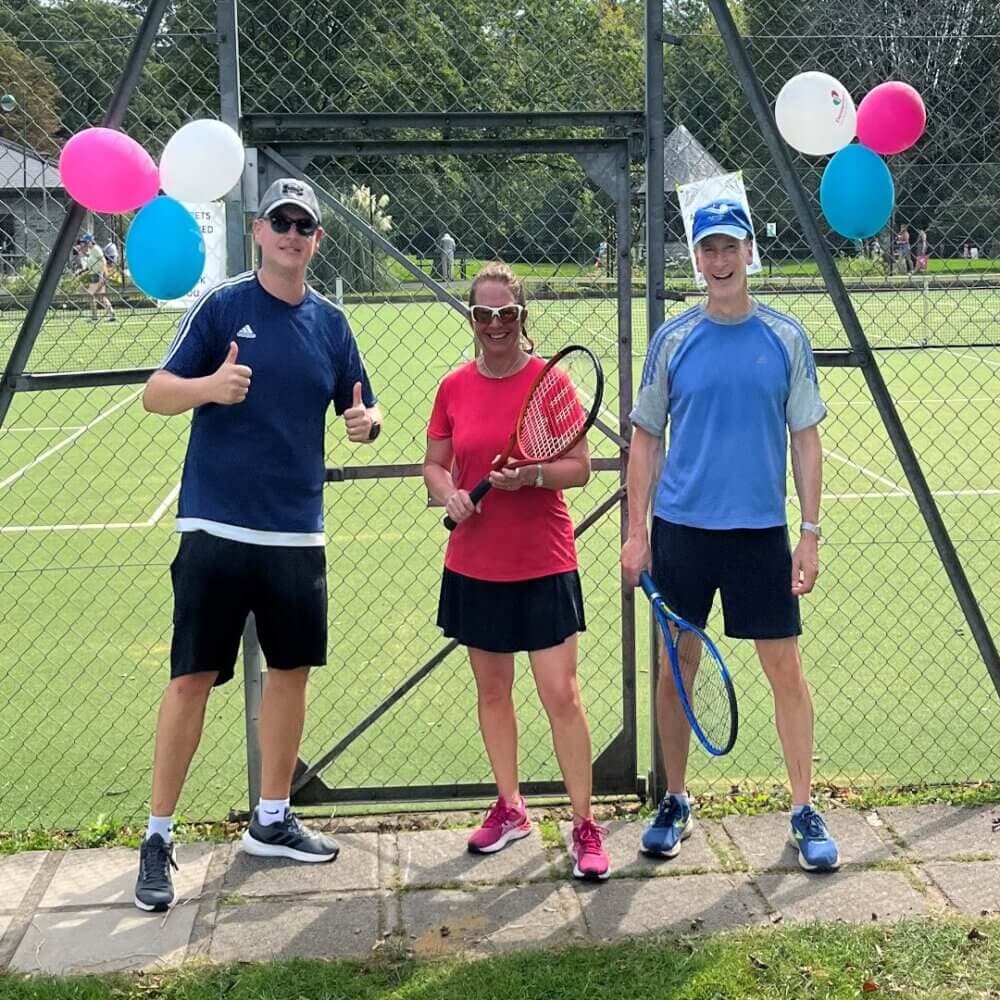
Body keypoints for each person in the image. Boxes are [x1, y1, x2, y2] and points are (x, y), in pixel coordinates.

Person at [133, 177, 384, 913]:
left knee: (291, 674)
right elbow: (155, 392)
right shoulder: (223, 307)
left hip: (295, 531)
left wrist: (366, 423)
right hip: (214, 526)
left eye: (304, 225)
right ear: (258, 231)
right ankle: (157, 836)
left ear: (317, 240)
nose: (291, 234)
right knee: (190, 680)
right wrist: (209, 385)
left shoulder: (332, 324)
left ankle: (270, 820)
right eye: (281, 221)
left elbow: (358, 403)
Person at [620, 198, 839, 873]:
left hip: (760, 536)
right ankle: (676, 801)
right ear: (698, 259)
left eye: (729, 248)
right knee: (674, 669)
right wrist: (636, 532)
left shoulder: (786, 337)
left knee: (785, 672)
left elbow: (805, 439)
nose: (718, 261)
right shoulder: (673, 339)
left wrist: (808, 532)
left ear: (749, 252)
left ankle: (803, 808)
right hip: (682, 533)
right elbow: (645, 439)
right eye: (707, 250)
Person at [422, 261, 610, 881]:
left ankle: (585, 824)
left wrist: (530, 475)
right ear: (472, 319)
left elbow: (579, 467)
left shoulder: (549, 384)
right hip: (475, 563)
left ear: (522, 318)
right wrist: (449, 492)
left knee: (561, 695)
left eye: (507, 313)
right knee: (493, 692)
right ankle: (510, 807)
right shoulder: (453, 387)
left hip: (543, 561)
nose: (496, 324)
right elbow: (434, 464)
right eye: (484, 314)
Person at [79, 233, 115, 322]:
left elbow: (103, 261)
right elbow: (91, 264)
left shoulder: (96, 249)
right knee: (100, 297)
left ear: (90, 241)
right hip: (93, 274)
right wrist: (82, 271)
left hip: (98, 274)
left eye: (86, 242)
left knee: (91, 294)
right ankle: (110, 314)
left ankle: (95, 315)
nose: (84, 243)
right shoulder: (90, 250)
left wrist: (102, 275)